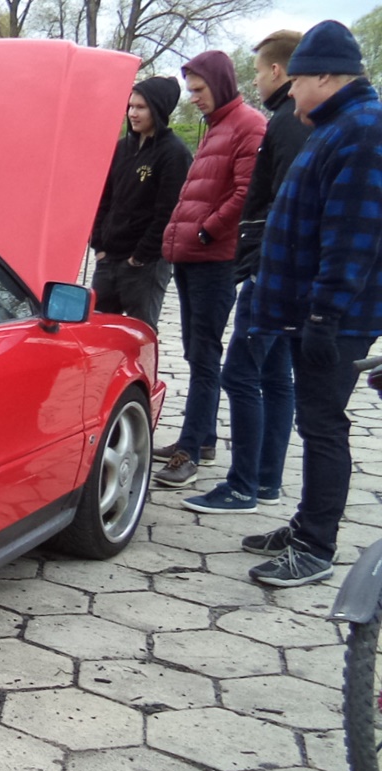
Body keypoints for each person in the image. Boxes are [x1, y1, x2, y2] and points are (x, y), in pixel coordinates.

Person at [241, 20, 382, 586]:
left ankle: (316, 547)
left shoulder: (365, 130)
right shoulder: (337, 125)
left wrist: (325, 314)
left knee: (324, 425)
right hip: (311, 312)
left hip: (335, 318)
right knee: (313, 420)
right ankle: (304, 524)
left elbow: (354, 234)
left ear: (326, 75)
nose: (290, 91)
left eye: (297, 81)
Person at [183, 30, 312, 515]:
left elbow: (274, 202)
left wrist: (256, 265)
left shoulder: (284, 123)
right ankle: (267, 480)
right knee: (276, 376)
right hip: (280, 272)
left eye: (258, 70)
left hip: (271, 273)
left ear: (278, 71)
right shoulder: (289, 120)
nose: (254, 79)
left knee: (240, 373)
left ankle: (242, 487)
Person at [152, 49, 267, 489]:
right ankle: (201, 438)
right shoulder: (218, 126)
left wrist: (206, 231)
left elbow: (245, 193)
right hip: (191, 258)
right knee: (196, 352)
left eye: (199, 90)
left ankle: (188, 452)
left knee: (203, 357)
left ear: (219, 83)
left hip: (213, 260)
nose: (194, 98)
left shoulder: (248, 126)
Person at [89, 76, 191, 330]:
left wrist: (140, 257)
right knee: (95, 330)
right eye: (130, 106)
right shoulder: (121, 148)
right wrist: (99, 243)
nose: (133, 113)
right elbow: (104, 198)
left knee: (139, 333)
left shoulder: (174, 153)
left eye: (141, 107)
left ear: (158, 109)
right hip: (108, 258)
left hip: (144, 265)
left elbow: (168, 212)